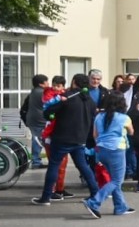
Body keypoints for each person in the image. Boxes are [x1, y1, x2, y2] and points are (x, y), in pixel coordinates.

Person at [33, 74, 99, 206]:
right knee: (83, 166)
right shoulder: (90, 100)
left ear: (74, 82)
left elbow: (48, 112)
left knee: (54, 166)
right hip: (80, 138)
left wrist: (53, 110)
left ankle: (46, 197)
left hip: (62, 137)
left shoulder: (67, 97)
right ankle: (95, 192)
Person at [81, 92, 135, 218]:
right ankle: (93, 202)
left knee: (113, 180)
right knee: (117, 180)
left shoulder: (99, 116)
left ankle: (120, 206)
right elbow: (131, 132)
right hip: (116, 150)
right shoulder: (124, 118)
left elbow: (95, 135)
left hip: (101, 150)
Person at [40, 76, 74, 200]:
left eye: (59, 86)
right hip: (50, 134)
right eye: (54, 85)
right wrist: (59, 98)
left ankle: (60, 189)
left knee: (62, 165)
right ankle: (53, 190)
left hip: (60, 134)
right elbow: (47, 103)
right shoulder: (49, 94)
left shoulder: (65, 94)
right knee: (55, 164)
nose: (56, 88)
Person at [26, 74, 50, 169]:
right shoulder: (42, 93)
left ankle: (36, 161)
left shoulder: (34, 91)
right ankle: (36, 162)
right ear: (41, 84)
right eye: (46, 81)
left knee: (37, 140)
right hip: (39, 120)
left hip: (33, 119)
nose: (48, 83)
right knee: (37, 141)